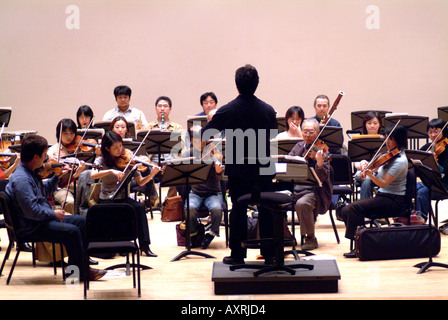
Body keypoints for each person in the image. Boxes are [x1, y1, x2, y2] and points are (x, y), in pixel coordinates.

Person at [199, 64, 277, 265]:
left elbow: (206, 133)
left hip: (238, 169)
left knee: (239, 209)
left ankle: (237, 255)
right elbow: (272, 136)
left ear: (237, 85)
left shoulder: (227, 109)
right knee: (267, 209)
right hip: (263, 167)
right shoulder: (268, 110)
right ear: (257, 84)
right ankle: (269, 255)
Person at [5, 135, 106, 280]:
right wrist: (53, 214)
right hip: (32, 227)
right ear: (36, 157)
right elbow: (32, 211)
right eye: (44, 156)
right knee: (72, 231)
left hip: (37, 221)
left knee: (80, 222)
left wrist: (57, 177)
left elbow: (42, 192)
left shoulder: (30, 173)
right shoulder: (22, 179)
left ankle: (77, 269)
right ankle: (79, 272)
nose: (46, 159)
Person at [341, 124, 409, 258]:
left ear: (399, 140)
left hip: (394, 200)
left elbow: (383, 182)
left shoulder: (400, 161)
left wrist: (370, 175)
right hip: (383, 196)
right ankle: (362, 241)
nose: (387, 142)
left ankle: (358, 245)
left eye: (391, 139)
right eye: (386, 138)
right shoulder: (390, 156)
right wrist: (368, 166)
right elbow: (378, 170)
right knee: (346, 209)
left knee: (354, 209)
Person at [90, 131, 160, 257]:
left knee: (139, 207)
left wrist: (151, 175)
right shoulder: (101, 160)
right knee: (116, 211)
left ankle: (145, 246)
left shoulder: (127, 160)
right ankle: (119, 244)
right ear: (107, 148)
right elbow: (93, 174)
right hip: (107, 199)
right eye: (115, 148)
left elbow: (140, 182)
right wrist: (110, 171)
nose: (120, 150)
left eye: (121, 146)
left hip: (123, 197)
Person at [288, 118, 333, 250]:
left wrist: (319, 163)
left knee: (303, 204)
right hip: (294, 187)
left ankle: (310, 237)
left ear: (318, 132)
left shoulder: (323, 150)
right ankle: (286, 235)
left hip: (313, 191)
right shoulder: (298, 146)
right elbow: (289, 161)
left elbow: (323, 177)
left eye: (311, 132)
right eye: (305, 131)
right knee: (274, 200)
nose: (307, 135)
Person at [183, 127, 224, 249]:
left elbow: (220, 179)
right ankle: (194, 234)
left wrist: (218, 172)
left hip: (213, 193)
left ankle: (211, 234)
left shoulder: (214, 153)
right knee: (189, 207)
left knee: (217, 208)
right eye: (195, 139)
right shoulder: (188, 154)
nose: (199, 142)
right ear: (190, 141)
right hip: (195, 192)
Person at [47, 119, 86, 214]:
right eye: (65, 133)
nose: (69, 137)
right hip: (62, 188)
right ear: (59, 134)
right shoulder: (52, 152)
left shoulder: (80, 149)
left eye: (72, 133)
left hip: (81, 186)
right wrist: (75, 174)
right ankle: (71, 226)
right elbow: (53, 177)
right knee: (69, 202)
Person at [415, 118, 448, 221]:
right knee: (410, 186)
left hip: (444, 184)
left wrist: (435, 164)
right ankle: (409, 217)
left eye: (436, 131)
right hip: (429, 182)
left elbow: (444, 173)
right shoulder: (427, 148)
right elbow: (415, 165)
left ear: (443, 131)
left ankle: (421, 221)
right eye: (430, 132)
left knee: (422, 192)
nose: (433, 135)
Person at [353, 111, 382, 199]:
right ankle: (364, 209)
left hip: (379, 172)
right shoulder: (358, 140)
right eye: (369, 123)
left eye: (375, 123)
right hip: (362, 172)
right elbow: (354, 162)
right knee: (367, 178)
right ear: (365, 125)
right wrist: (361, 164)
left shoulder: (384, 140)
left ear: (379, 125)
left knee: (386, 177)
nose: (372, 126)